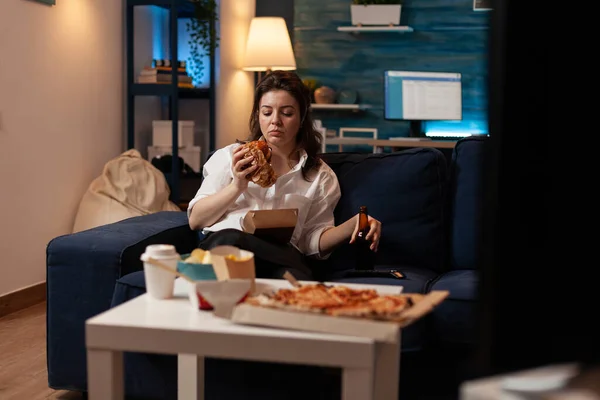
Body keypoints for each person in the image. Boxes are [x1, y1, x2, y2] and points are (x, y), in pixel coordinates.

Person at [187, 70, 382, 280]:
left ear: (302, 117)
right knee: (234, 240)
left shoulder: (320, 176)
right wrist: (237, 186)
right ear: (257, 115)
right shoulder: (231, 157)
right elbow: (196, 220)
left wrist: (354, 224)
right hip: (226, 248)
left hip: (279, 256)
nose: (275, 121)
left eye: (287, 113)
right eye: (267, 112)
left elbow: (311, 242)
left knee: (293, 271)